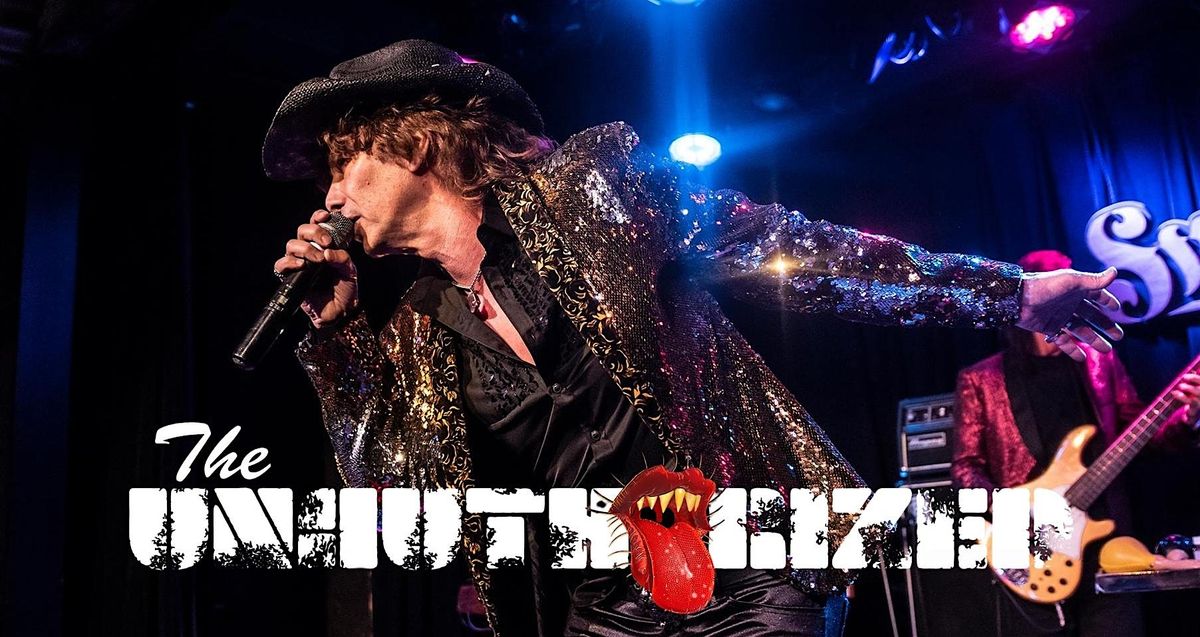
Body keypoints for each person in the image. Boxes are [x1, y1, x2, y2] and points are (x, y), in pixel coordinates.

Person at [263, 40, 1126, 637]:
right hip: (597, 606)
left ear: (416, 145)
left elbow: (794, 249)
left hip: (751, 566)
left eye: (344, 164)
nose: (331, 195)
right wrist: (337, 346)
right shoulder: (416, 329)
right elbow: (407, 496)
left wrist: (1010, 293)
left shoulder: (590, 190)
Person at [950, 249, 1200, 637]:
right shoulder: (982, 378)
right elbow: (965, 468)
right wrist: (1010, 510)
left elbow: (1143, 435)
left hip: (1108, 542)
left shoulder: (1100, 361)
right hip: (1034, 550)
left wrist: (1189, 415)